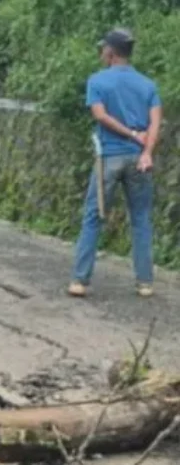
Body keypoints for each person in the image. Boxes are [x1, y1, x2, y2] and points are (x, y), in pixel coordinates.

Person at [68, 28, 162, 299]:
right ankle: (145, 282)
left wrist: (130, 134)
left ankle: (80, 280)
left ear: (110, 52)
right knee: (141, 218)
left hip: (108, 156)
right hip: (138, 158)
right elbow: (155, 121)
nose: (101, 53)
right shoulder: (148, 85)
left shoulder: (98, 81)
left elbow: (100, 115)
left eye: (103, 49)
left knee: (93, 217)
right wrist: (147, 150)